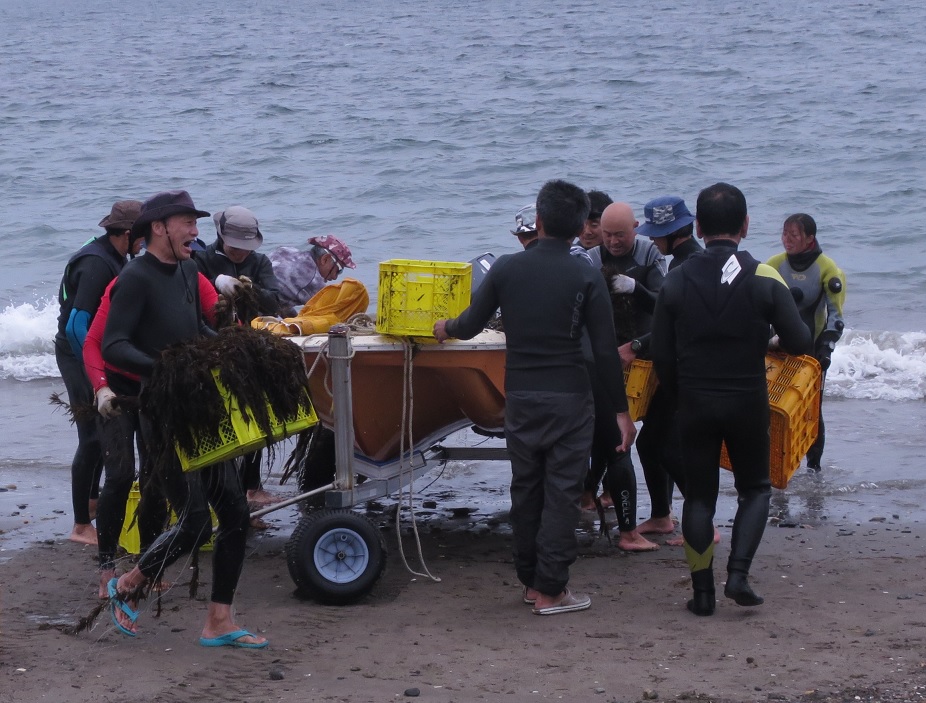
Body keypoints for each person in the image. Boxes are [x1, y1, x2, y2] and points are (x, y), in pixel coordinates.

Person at [434, 179, 636, 616]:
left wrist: (444, 328)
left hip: (521, 396)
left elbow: (470, 325)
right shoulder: (586, 274)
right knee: (563, 490)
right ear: (582, 226)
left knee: (526, 488)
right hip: (570, 399)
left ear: (538, 221)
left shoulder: (507, 267)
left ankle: (530, 582)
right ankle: (551, 590)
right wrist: (621, 411)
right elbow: (604, 352)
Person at [102, 190, 265, 647]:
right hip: (163, 413)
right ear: (160, 227)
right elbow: (114, 345)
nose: (196, 231)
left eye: (195, 224)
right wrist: (166, 366)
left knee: (234, 512)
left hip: (202, 409)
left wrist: (231, 348)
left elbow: (198, 330)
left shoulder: (190, 270)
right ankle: (130, 582)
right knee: (194, 521)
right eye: (187, 223)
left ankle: (220, 621)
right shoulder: (135, 278)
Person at [651, 182, 811, 616]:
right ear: (745, 225)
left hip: (695, 402)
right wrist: (769, 336)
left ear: (698, 226)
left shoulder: (678, 278)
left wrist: (682, 394)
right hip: (747, 401)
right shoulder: (764, 276)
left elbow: (662, 352)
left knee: (699, 500)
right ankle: (738, 575)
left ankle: (702, 594)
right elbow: (801, 340)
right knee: (755, 490)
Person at [84, 263, 220, 599]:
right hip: (115, 385)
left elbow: (212, 318)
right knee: (119, 475)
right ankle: (106, 569)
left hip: (154, 387)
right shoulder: (129, 283)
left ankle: (149, 565)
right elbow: (93, 342)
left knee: (155, 476)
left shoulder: (188, 278)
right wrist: (101, 388)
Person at [55, 199, 143, 545]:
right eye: (141, 236)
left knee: (99, 432)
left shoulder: (113, 255)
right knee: (91, 433)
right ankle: (80, 525)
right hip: (77, 352)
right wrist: (95, 374)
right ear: (126, 234)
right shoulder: (96, 264)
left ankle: (92, 501)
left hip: (95, 351)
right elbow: (77, 325)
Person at [581, 202, 666, 551]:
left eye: (621, 235)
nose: (614, 242)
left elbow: (666, 307)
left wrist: (637, 289)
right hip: (607, 355)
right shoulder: (589, 258)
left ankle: (659, 515)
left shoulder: (648, 253)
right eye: (608, 235)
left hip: (644, 352)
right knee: (613, 437)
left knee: (641, 440)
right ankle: (602, 504)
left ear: (636, 228)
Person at [194, 206, 283, 507]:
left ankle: (253, 487)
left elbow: (274, 301)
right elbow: (193, 301)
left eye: (246, 248)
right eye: (235, 247)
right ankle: (219, 491)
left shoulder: (259, 263)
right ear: (220, 236)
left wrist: (247, 289)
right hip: (210, 346)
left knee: (255, 415)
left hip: (250, 347)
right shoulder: (200, 259)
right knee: (218, 420)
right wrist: (219, 285)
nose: (241, 253)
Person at [633, 196, 702, 542]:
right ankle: (663, 516)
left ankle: (703, 521)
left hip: (686, 375)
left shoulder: (686, 267)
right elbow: (664, 311)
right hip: (680, 371)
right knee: (651, 443)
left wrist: (635, 346)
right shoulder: (686, 261)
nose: (653, 241)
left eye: (657, 234)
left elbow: (669, 324)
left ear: (675, 233)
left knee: (664, 445)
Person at [766, 214, 846, 470]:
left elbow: (836, 318)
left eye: (794, 234)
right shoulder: (774, 265)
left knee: (811, 411)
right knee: (774, 409)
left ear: (810, 238)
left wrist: (826, 348)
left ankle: (814, 469)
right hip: (777, 349)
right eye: (785, 233)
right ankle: (778, 464)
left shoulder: (828, 269)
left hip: (812, 353)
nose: (787, 240)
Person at [268, 235, 355, 317]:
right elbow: (326, 315)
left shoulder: (286, 250)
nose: (335, 277)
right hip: (257, 313)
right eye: (339, 270)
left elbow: (282, 303)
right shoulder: (312, 281)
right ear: (325, 259)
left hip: (257, 293)